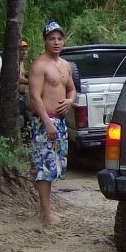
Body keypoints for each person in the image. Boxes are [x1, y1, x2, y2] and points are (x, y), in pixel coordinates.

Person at [28, 21, 76, 224]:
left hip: (60, 123)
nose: (56, 42)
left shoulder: (65, 65)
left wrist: (70, 101)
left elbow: (72, 89)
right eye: (51, 39)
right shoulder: (39, 65)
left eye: (59, 38)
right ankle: (45, 213)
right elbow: (34, 96)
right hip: (44, 123)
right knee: (43, 167)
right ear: (45, 41)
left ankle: (47, 211)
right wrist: (47, 122)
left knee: (54, 166)